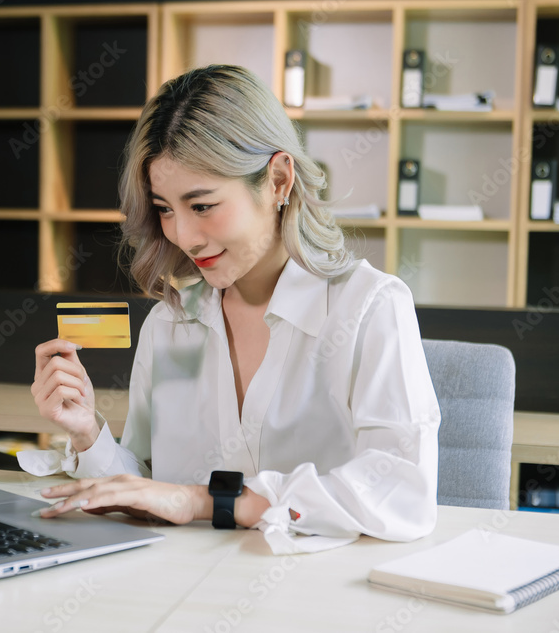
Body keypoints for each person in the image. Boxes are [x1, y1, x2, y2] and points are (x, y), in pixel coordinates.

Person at [22, 64, 440, 554]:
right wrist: (88, 433)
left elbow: (402, 492)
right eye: (165, 209)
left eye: (202, 206)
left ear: (279, 181)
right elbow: (151, 488)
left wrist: (209, 502)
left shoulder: (369, 308)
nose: (183, 235)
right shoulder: (172, 325)